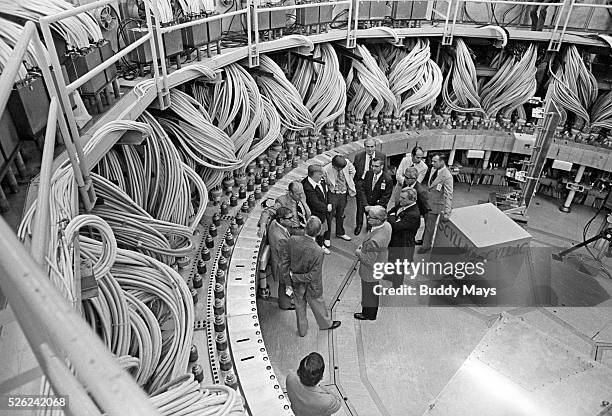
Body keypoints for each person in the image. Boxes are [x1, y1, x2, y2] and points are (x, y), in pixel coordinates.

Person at [284, 217, 341, 337]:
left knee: (299, 308)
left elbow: (285, 260)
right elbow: (313, 276)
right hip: (312, 287)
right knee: (318, 305)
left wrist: (291, 278)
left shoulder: (292, 240)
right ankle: (326, 324)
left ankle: (302, 331)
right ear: (319, 231)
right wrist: (296, 277)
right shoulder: (318, 251)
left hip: (297, 285)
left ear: (305, 227)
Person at [354, 206, 392, 321]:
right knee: (372, 291)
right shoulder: (387, 226)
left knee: (368, 293)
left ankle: (368, 314)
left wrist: (359, 252)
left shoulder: (374, 241)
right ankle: (371, 312)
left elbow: (368, 260)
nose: (367, 218)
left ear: (378, 220)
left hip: (370, 271)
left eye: (370, 217)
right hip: (381, 262)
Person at [418, 154, 453, 254]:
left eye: (435, 161)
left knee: (430, 227)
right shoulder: (434, 170)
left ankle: (426, 246)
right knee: (426, 224)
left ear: (442, 162)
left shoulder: (447, 177)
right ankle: (423, 240)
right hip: (428, 202)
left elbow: (448, 195)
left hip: (435, 206)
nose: (432, 163)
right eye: (432, 161)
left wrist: (447, 212)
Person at [386, 188, 421, 288]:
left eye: (403, 198)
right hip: (395, 240)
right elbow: (391, 211)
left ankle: (396, 286)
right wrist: (392, 216)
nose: (400, 200)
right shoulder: (403, 205)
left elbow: (396, 226)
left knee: (399, 266)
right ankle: (390, 276)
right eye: (400, 197)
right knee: (391, 260)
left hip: (403, 244)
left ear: (412, 199)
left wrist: (392, 217)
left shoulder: (413, 214)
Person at [353, 138, 387, 235]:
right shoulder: (359, 156)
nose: (370, 149)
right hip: (362, 182)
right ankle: (359, 225)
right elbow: (355, 170)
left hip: (374, 183)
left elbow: (385, 170)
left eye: (372, 147)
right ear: (364, 147)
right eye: (368, 147)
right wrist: (356, 182)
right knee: (360, 206)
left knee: (371, 205)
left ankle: (370, 226)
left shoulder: (382, 156)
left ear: (375, 147)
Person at [267, 206, 295, 310]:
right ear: (282, 220)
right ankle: (285, 304)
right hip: (282, 268)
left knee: (283, 286)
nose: (292, 219)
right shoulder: (281, 239)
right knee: (285, 286)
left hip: (278, 263)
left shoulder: (275, 223)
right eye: (290, 218)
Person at [323, 155, 355, 242]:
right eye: (339, 168)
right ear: (334, 165)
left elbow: (353, 171)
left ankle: (340, 232)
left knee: (341, 214)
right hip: (333, 194)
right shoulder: (326, 169)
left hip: (343, 193)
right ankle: (327, 237)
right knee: (329, 216)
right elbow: (324, 183)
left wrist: (349, 180)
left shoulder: (347, 163)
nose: (341, 170)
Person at [302, 164, 332, 255]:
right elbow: (314, 203)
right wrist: (326, 207)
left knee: (322, 230)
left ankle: (321, 243)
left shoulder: (321, 181)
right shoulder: (307, 186)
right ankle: (319, 246)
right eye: (320, 174)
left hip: (323, 213)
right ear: (313, 174)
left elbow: (326, 193)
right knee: (316, 231)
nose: (322, 176)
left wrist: (329, 202)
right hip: (315, 214)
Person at [357, 158, 393, 231]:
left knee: (375, 228)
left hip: (377, 207)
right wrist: (366, 204)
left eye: (376, 166)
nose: (373, 168)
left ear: (382, 166)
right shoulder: (368, 174)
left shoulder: (388, 179)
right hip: (367, 204)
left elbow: (386, 196)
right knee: (369, 222)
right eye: (372, 166)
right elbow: (363, 189)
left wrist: (373, 208)